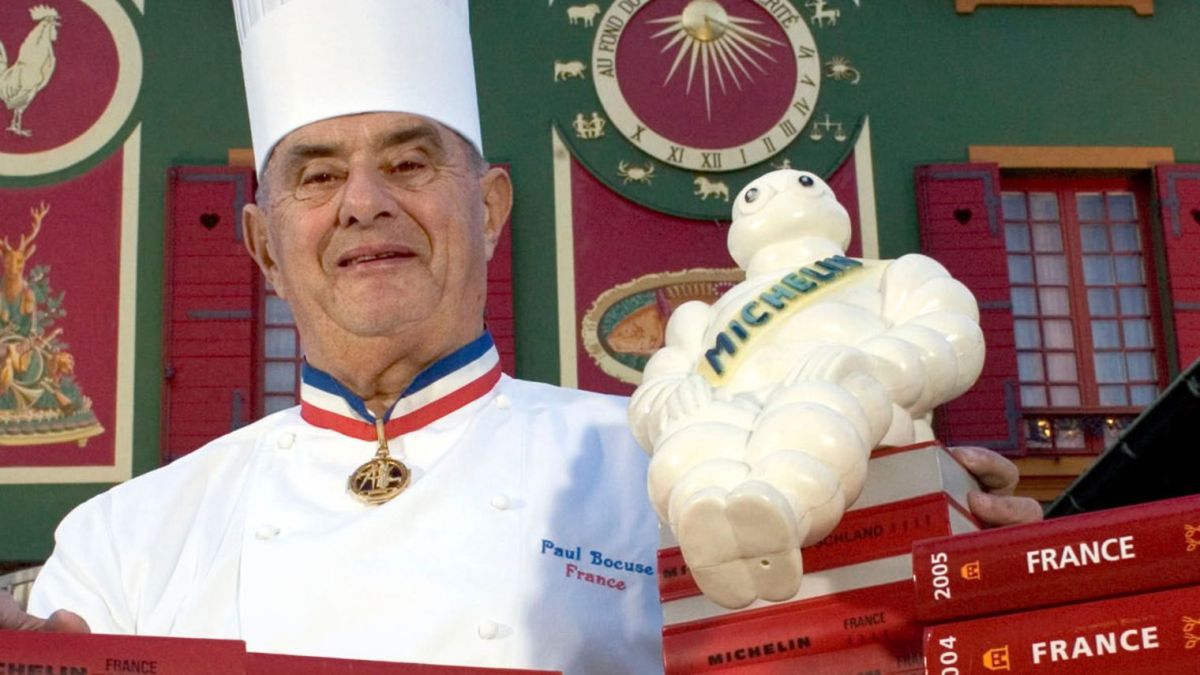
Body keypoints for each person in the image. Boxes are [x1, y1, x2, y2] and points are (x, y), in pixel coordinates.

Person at [0, 0, 1042, 672]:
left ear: (490, 209)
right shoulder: (120, 545)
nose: (363, 202)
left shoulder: (681, 467)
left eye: (409, 163)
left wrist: (929, 543)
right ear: (266, 247)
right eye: (316, 175)